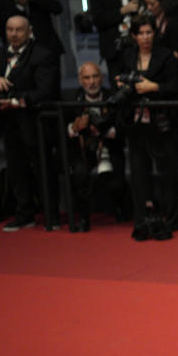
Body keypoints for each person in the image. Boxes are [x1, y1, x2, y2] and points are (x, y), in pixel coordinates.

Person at [0, 14, 60, 231]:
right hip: (9, 123)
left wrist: (17, 101)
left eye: (19, 30)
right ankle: (24, 213)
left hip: (34, 123)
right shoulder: (1, 53)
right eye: (10, 29)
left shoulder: (43, 54)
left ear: (29, 31)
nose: (14, 34)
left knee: (43, 169)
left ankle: (51, 215)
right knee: (16, 170)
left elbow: (46, 91)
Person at [117, 15, 178, 241]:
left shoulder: (166, 56)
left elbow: (175, 86)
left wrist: (153, 87)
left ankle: (172, 218)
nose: (145, 37)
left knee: (168, 171)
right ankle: (142, 218)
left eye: (149, 32)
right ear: (134, 35)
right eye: (141, 33)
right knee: (138, 172)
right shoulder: (127, 56)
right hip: (136, 122)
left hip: (162, 121)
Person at [65, 61, 128, 232]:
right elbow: (65, 132)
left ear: (102, 78)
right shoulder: (72, 100)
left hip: (110, 147)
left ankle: (121, 210)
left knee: (117, 180)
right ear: (80, 80)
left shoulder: (114, 97)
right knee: (79, 174)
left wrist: (101, 130)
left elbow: (123, 129)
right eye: (87, 77)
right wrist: (76, 128)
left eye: (95, 76)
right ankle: (84, 218)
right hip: (84, 150)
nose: (91, 81)